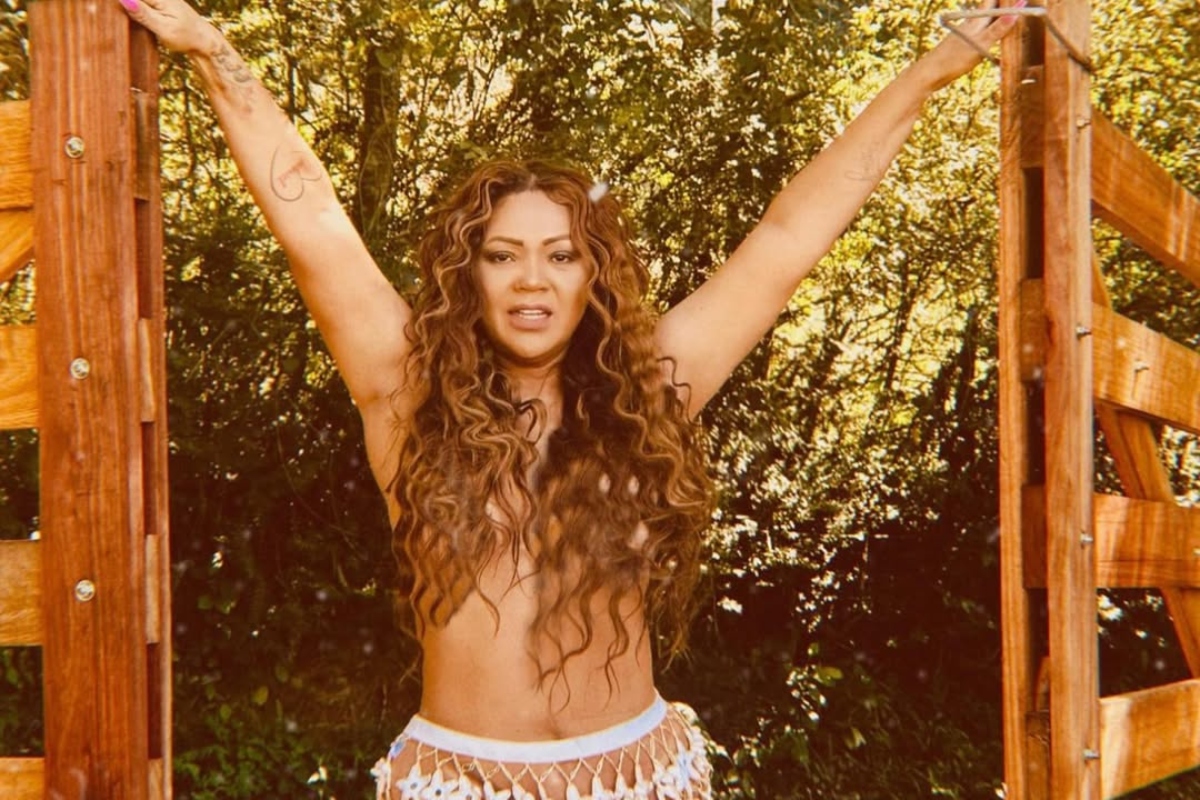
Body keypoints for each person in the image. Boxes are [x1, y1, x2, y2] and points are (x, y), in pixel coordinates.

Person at [116, 0, 1019, 797]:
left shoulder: (652, 391)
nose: (531, 280)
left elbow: (788, 240)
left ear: (594, 276)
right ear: (468, 275)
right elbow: (312, 221)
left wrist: (930, 72)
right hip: (458, 781)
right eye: (502, 255)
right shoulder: (404, 393)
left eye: (560, 255)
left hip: (637, 775)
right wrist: (213, 53)